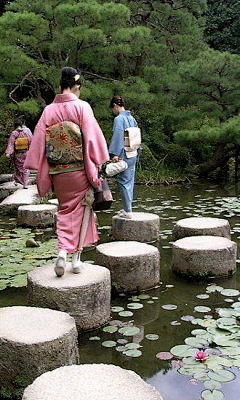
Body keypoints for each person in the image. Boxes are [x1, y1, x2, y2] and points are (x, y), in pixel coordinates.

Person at [24, 67, 109, 277]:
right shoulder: (82, 107)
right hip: (80, 169)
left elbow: (40, 144)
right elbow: (91, 139)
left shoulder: (48, 111)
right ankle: (76, 259)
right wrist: (96, 165)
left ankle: (62, 251)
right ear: (77, 86)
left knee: (65, 211)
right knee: (83, 211)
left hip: (58, 172)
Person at [109, 95, 139, 219]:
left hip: (124, 154)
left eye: (112, 109)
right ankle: (128, 208)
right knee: (129, 181)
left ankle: (128, 211)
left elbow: (118, 136)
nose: (113, 111)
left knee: (123, 181)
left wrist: (115, 154)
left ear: (115, 106)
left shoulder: (119, 119)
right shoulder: (131, 118)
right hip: (133, 152)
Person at [5, 118, 32, 188]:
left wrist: (8, 152)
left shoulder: (14, 133)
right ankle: (24, 182)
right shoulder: (25, 132)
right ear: (21, 125)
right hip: (26, 152)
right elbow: (30, 141)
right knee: (25, 168)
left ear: (15, 125)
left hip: (18, 153)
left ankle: (23, 182)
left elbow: (11, 144)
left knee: (19, 168)